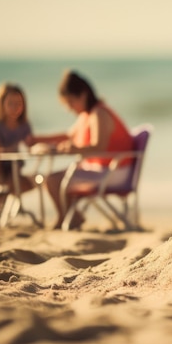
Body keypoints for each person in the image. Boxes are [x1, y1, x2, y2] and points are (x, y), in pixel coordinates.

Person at [34, 70, 133, 229]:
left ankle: (66, 217)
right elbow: (68, 135)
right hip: (103, 169)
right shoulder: (87, 115)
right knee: (53, 179)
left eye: (71, 102)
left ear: (83, 95)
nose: (69, 108)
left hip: (114, 172)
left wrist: (74, 149)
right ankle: (71, 216)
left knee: (52, 180)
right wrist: (37, 140)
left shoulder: (99, 113)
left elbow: (99, 146)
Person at [0, 83, 36, 195]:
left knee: (34, 181)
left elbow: (31, 145)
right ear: (2, 104)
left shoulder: (24, 125)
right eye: (10, 103)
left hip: (13, 167)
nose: (15, 107)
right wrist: (16, 147)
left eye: (18, 103)